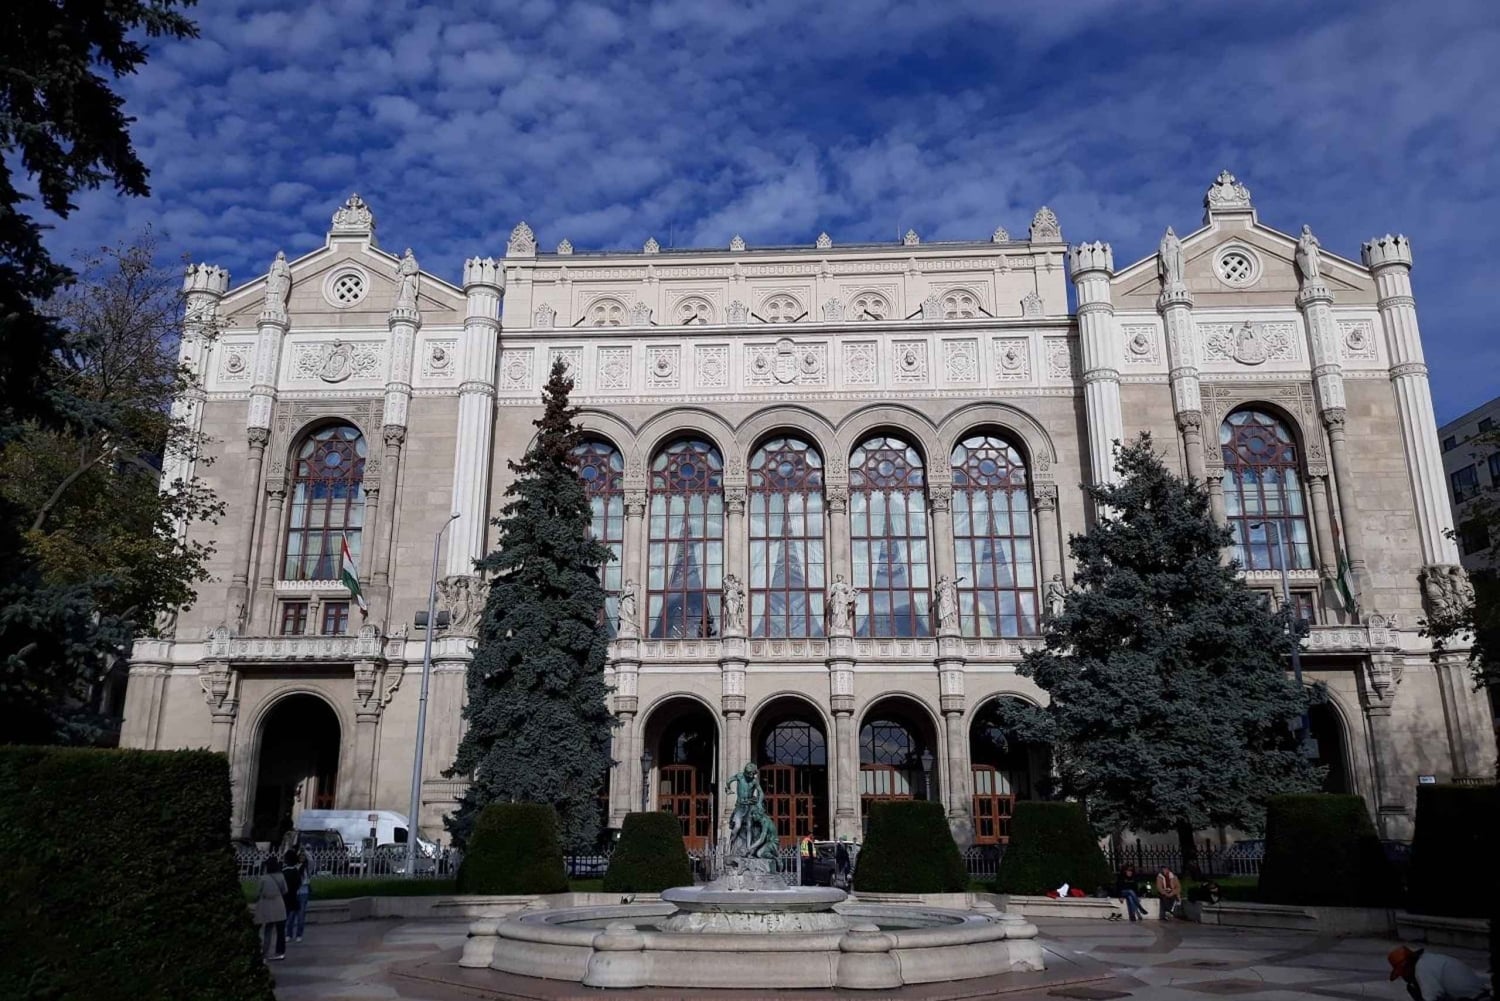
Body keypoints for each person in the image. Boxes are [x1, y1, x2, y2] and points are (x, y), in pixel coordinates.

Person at [1387, 945, 1490, 1000]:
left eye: (1403, 973)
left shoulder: (1421, 968)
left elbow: (1430, 997)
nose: (1404, 977)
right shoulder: (1428, 959)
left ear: (1407, 967)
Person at [254, 856, 289, 960]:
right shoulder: (281, 876)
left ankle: (264, 951)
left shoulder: (263, 878)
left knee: (267, 929)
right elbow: (285, 890)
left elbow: (257, 893)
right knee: (280, 930)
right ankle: (280, 952)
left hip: (266, 905)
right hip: (279, 904)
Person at [283, 847, 310, 942]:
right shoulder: (294, 867)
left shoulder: (307, 867)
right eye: (300, 856)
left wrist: (305, 851)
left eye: (304, 856)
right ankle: (288, 934)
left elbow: (311, 860)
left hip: (303, 892)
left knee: (301, 915)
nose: (302, 858)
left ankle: (299, 934)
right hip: (294, 893)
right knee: (291, 915)